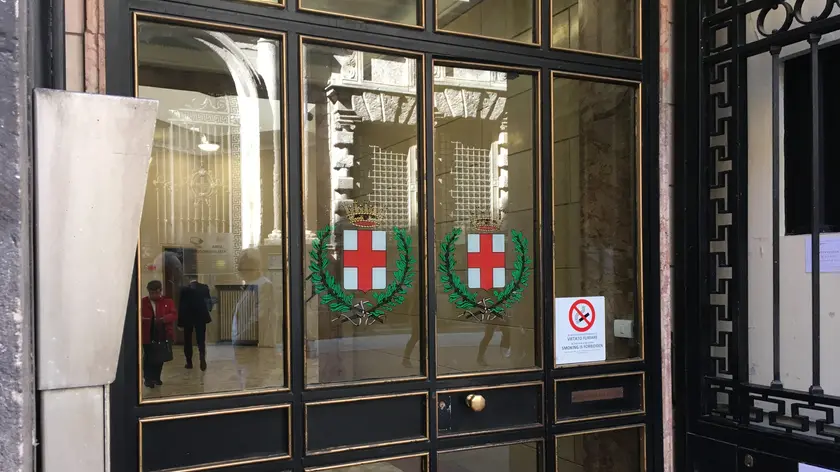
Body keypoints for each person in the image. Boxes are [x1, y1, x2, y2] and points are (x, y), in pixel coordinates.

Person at [141, 280, 177, 388]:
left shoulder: (167, 302)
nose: (154, 295)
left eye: (156, 293)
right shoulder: (143, 302)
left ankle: (156, 377)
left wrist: (163, 319)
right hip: (147, 334)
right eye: (151, 293)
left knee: (160, 357)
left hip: (163, 333)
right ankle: (148, 378)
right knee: (148, 357)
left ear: (160, 291)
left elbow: (174, 314)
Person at [178, 278, 213, 371]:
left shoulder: (184, 290)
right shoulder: (204, 288)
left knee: (187, 340)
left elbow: (181, 306)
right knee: (201, 339)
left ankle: (189, 362)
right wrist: (208, 310)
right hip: (201, 316)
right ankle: (202, 355)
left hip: (187, 317)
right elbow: (209, 301)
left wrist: (180, 322)